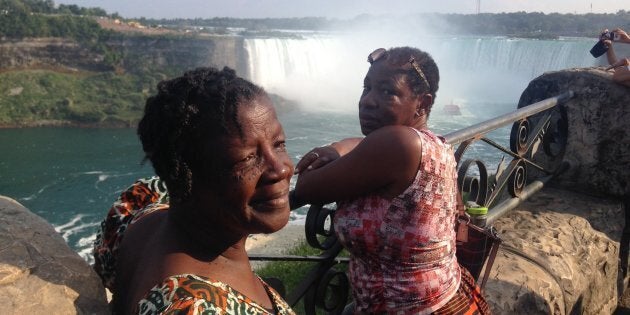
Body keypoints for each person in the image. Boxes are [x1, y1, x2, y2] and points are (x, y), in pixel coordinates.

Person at [291, 47, 490, 314]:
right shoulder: (434, 144)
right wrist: (337, 148)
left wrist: (332, 151)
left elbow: (306, 188)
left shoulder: (397, 144)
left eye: (388, 92)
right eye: (367, 88)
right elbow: (365, 145)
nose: (368, 101)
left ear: (424, 103)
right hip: (446, 296)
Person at [92, 67, 296, 314]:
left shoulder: (138, 207)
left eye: (279, 144)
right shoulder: (193, 308)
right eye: (247, 159)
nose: (281, 170)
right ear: (185, 177)